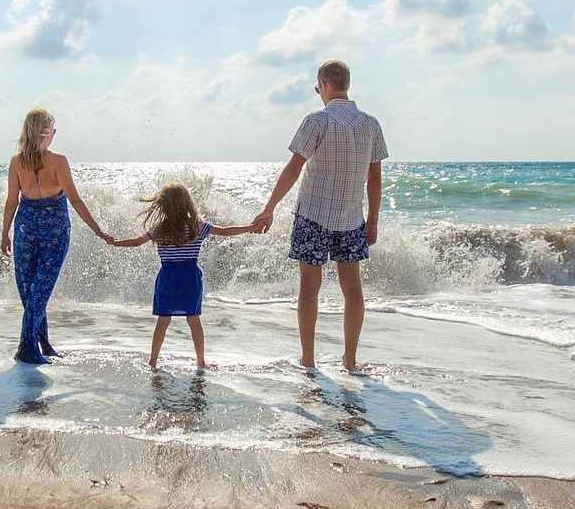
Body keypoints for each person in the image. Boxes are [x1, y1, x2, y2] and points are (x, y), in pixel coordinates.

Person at [251, 59, 389, 372]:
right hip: (352, 218)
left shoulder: (317, 121)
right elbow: (375, 179)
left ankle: (309, 359)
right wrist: (374, 220)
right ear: (346, 85)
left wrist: (269, 207)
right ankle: (350, 360)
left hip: (313, 215)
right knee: (352, 287)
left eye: (317, 88)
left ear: (324, 85)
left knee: (309, 286)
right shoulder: (371, 124)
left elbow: (293, 169)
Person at [0, 108, 111, 364]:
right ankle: (28, 348)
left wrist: (5, 233)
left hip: (26, 228)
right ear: (49, 134)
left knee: (32, 291)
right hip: (54, 230)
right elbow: (74, 199)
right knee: (37, 292)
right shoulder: (58, 161)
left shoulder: (17, 162)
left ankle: (42, 344)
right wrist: (97, 229)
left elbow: (11, 202)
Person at [109, 183, 258, 369]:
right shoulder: (197, 227)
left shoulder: (159, 229)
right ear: (187, 203)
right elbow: (226, 231)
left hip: (167, 278)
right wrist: (251, 227)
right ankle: (201, 362)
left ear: (163, 205)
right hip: (189, 279)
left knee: (163, 321)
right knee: (194, 320)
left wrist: (116, 243)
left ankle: (153, 361)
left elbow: (137, 242)